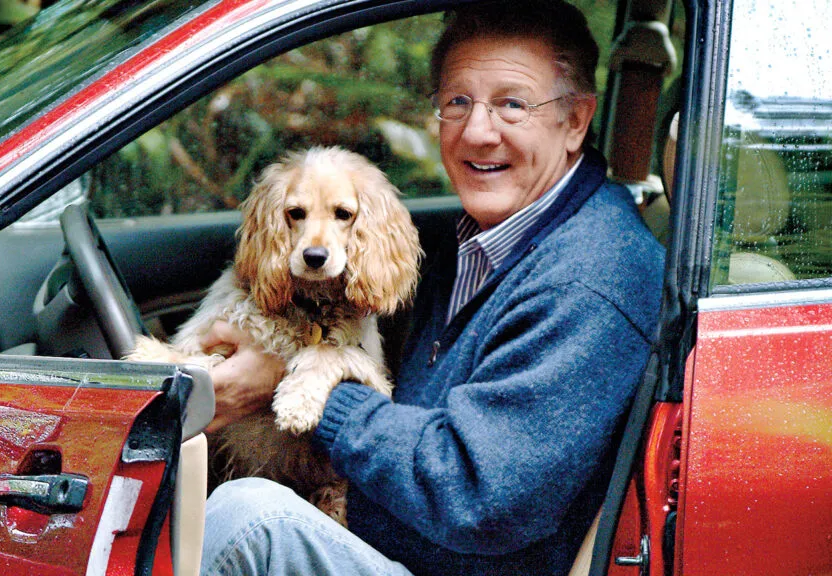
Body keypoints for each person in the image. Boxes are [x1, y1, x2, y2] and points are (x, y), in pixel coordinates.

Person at [198, 1, 665, 574]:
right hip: (390, 528)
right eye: (457, 103)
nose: (477, 131)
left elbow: (478, 493)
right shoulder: (487, 237)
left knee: (248, 520)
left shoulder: (589, 278)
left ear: (575, 122)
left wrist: (295, 384)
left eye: (512, 104)